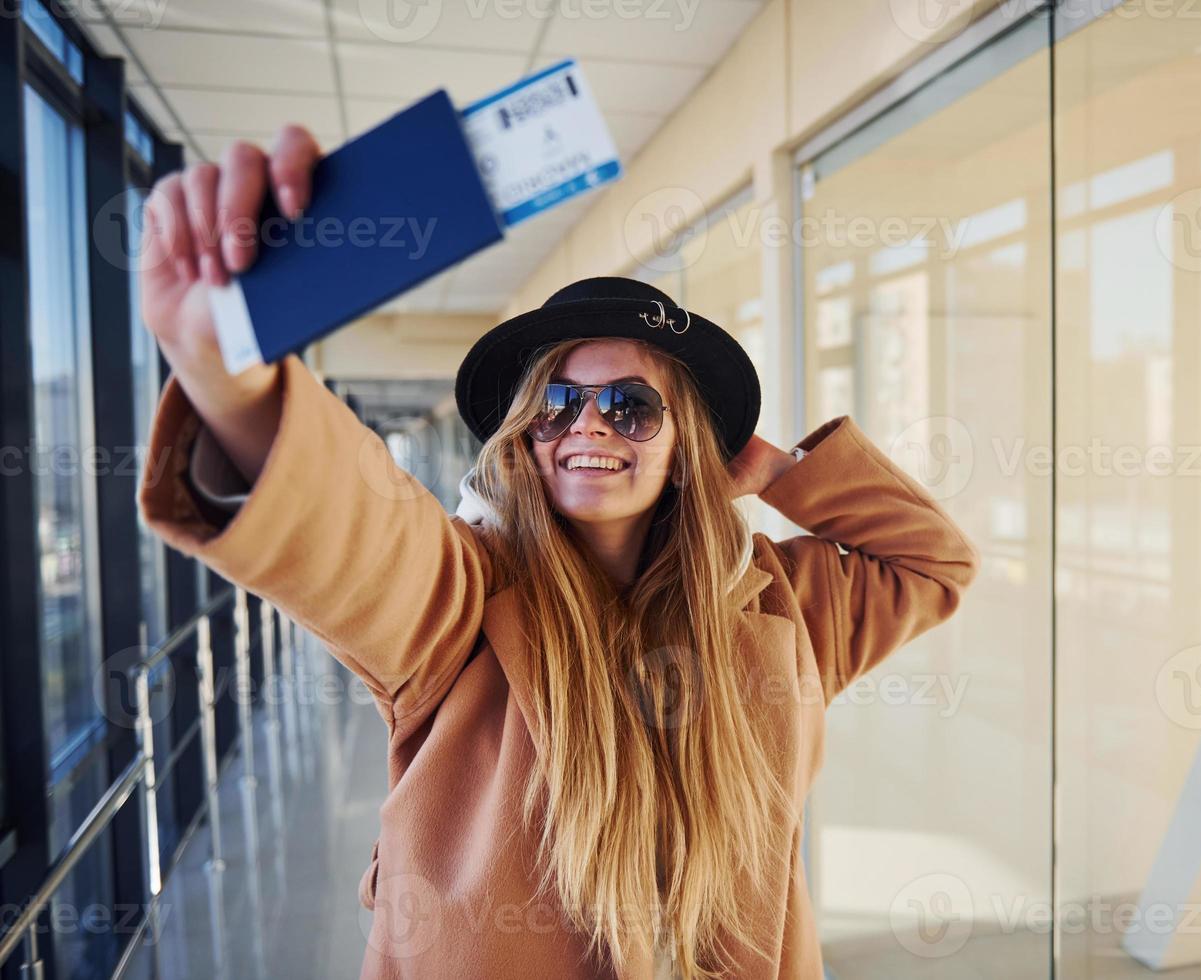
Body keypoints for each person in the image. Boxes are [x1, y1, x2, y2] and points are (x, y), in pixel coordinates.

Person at [136, 125, 981, 980]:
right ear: (524, 434)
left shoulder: (779, 606)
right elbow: (353, 530)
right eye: (559, 402)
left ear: (684, 441)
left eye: (631, 407)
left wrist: (777, 470)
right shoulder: (458, 603)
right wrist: (229, 380)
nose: (588, 425)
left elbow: (932, 563)